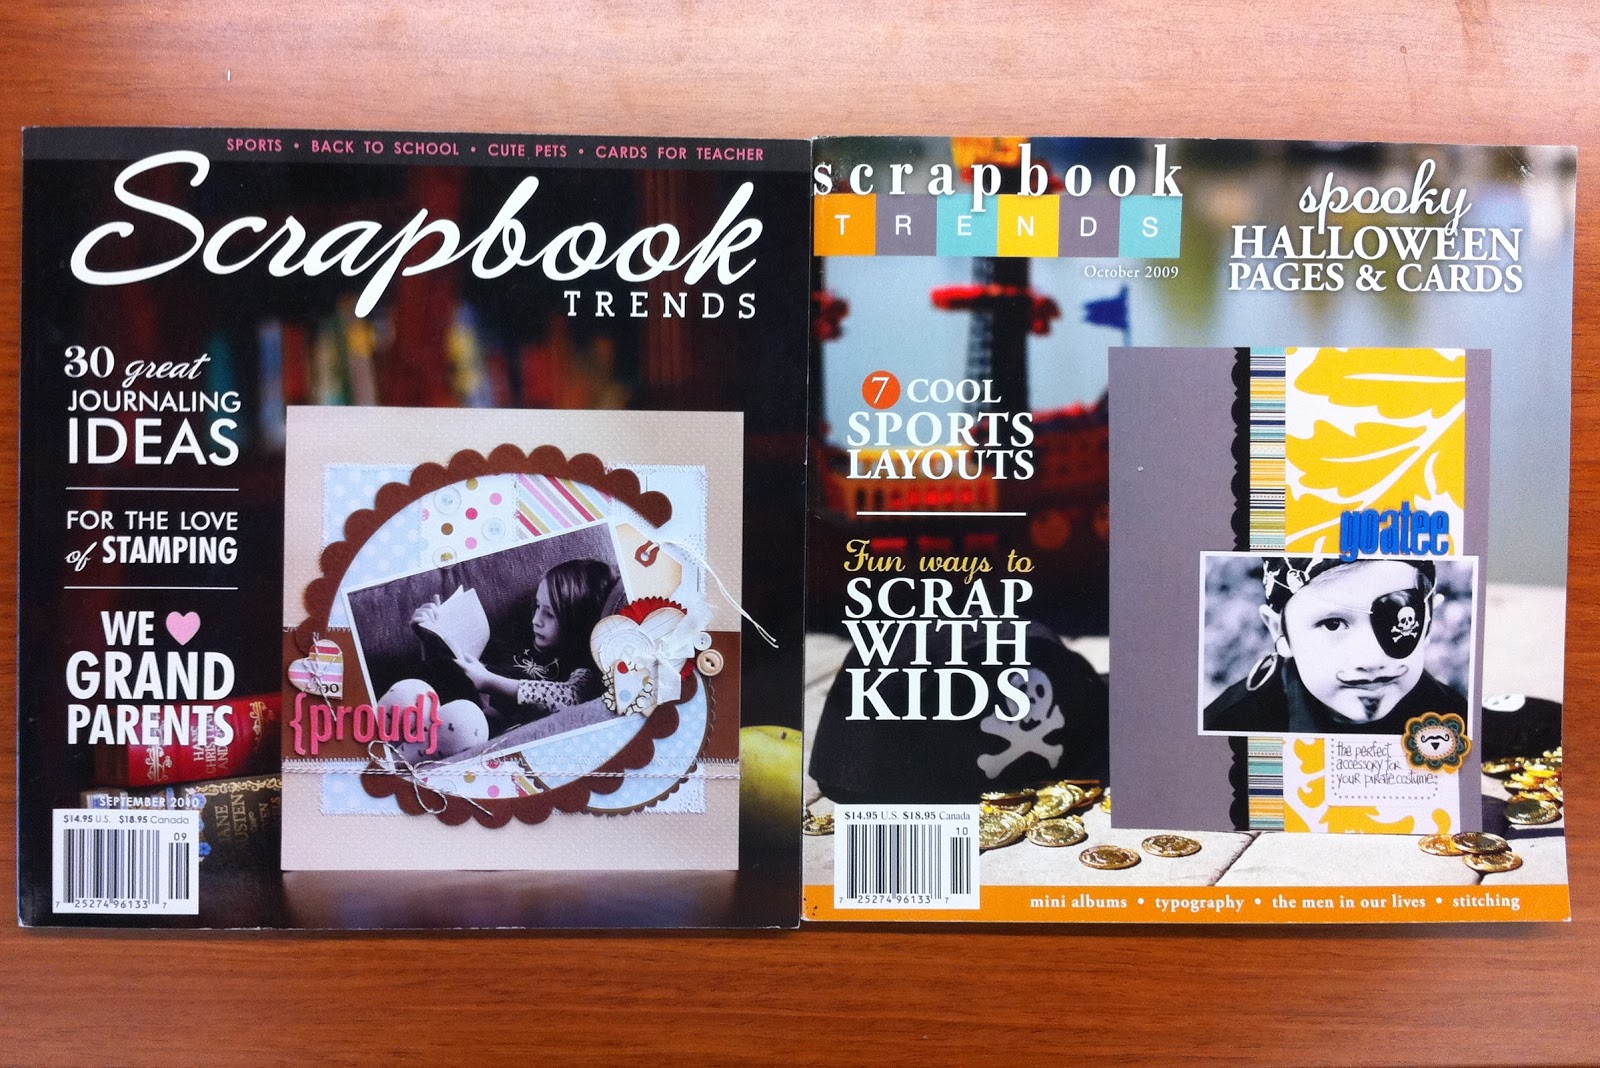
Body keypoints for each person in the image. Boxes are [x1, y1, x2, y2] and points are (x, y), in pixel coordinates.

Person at [1203, 556, 1465, 735]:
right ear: (1279, 631)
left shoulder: (1464, 725)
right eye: (1333, 624)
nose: (1372, 659)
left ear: (1428, 622)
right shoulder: (1229, 728)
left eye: (1396, 617)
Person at [450, 558, 615, 722]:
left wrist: (488, 682)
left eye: (549, 614)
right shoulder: (521, 635)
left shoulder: (581, 666)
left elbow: (571, 697)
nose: (535, 620)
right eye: (537, 605)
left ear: (577, 623)